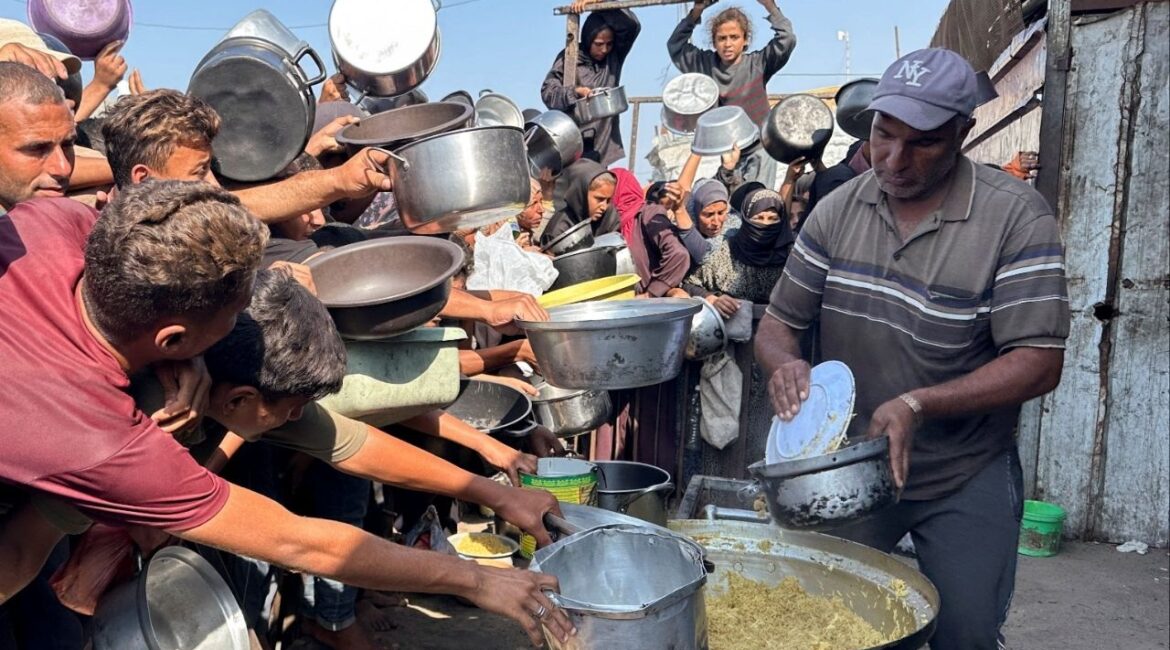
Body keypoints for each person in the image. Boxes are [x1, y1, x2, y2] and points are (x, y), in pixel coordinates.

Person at [0, 180, 574, 646]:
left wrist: (496, 492)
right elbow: (299, 543)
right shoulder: (102, 440)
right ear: (173, 341)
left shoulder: (57, 224)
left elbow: (347, 441)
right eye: (230, 314)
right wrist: (474, 579)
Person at [756, 48, 1070, 649]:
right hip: (847, 473)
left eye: (922, 143)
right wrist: (785, 363)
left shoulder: (1016, 220)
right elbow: (778, 324)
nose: (894, 160)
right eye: (883, 135)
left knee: (965, 631)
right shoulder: (836, 210)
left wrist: (917, 404)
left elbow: (1038, 362)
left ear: (962, 133)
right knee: (824, 623)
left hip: (961, 470)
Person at [541, 0, 640, 166]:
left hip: (603, 143)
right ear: (588, 39)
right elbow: (548, 92)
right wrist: (575, 92)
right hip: (572, 140)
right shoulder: (570, 57)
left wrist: (598, 3)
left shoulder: (614, 57)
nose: (604, 50)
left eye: (609, 44)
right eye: (599, 44)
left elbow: (631, 26)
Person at [539, 159, 619, 247]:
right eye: (599, 199)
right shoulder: (559, 231)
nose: (604, 207)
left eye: (608, 201)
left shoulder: (609, 219)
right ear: (581, 194)